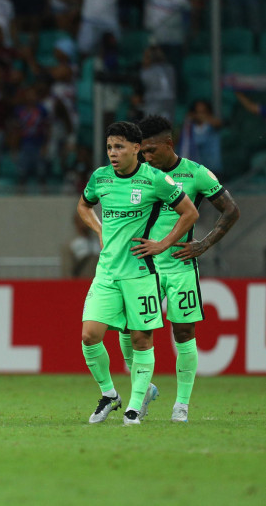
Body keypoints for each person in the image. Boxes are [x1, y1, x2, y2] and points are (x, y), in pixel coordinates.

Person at [76, 121, 198, 425]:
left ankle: (134, 406)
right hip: (106, 274)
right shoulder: (100, 178)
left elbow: (190, 213)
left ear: (135, 148)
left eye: (119, 147)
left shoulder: (155, 179)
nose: (113, 153)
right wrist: (99, 228)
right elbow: (83, 206)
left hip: (141, 274)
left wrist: (164, 244)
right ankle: (110, 394)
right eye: (109, 148)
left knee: (142, 339)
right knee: (89, 336)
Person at [128, 115, 240, 422]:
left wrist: (203, 244)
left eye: (151, 150)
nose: (146, 157)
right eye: (142, 152)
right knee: (132, 333)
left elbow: (231, 210)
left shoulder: (195, 174)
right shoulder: (138, 174)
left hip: (179, 267)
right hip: (142, 267)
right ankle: (144, 389)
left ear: (168, 143)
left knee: (184, 332)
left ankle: (181, 405)